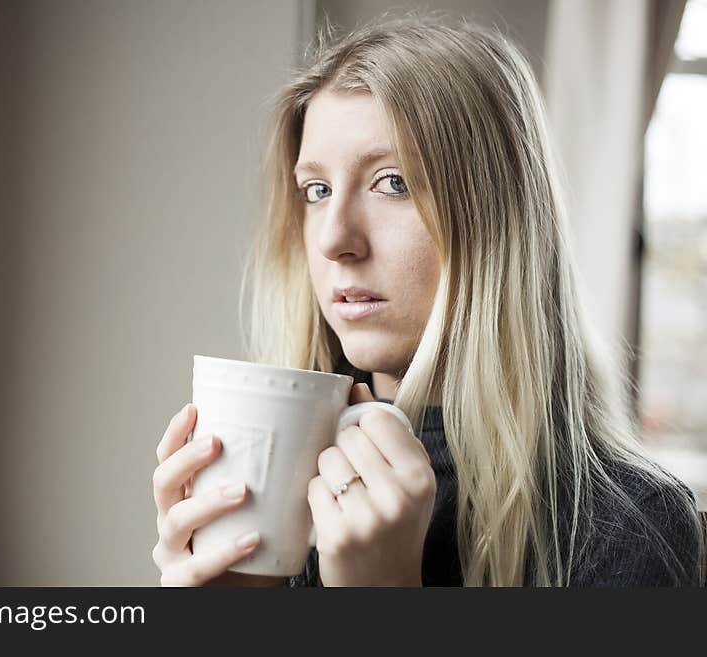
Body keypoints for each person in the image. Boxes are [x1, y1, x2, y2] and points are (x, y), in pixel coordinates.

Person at [151, 14, 706, 586]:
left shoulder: (632, 528)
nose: (335, 239)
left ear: (495, 219)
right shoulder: (285, 490)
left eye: (391, 182)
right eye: (316, 190)